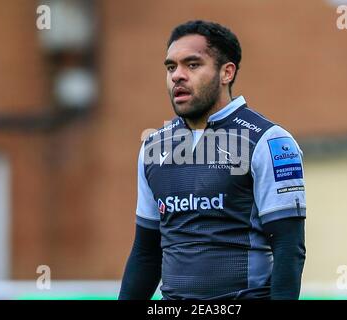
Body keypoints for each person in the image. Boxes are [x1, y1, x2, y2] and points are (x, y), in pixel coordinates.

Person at [119, 20, 306, 300]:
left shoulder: (270, 141)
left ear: (226, 72)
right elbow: (146, 253)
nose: (177, 76)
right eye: (171, 67)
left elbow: (288, 247)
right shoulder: (153, 147)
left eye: (192, 65)